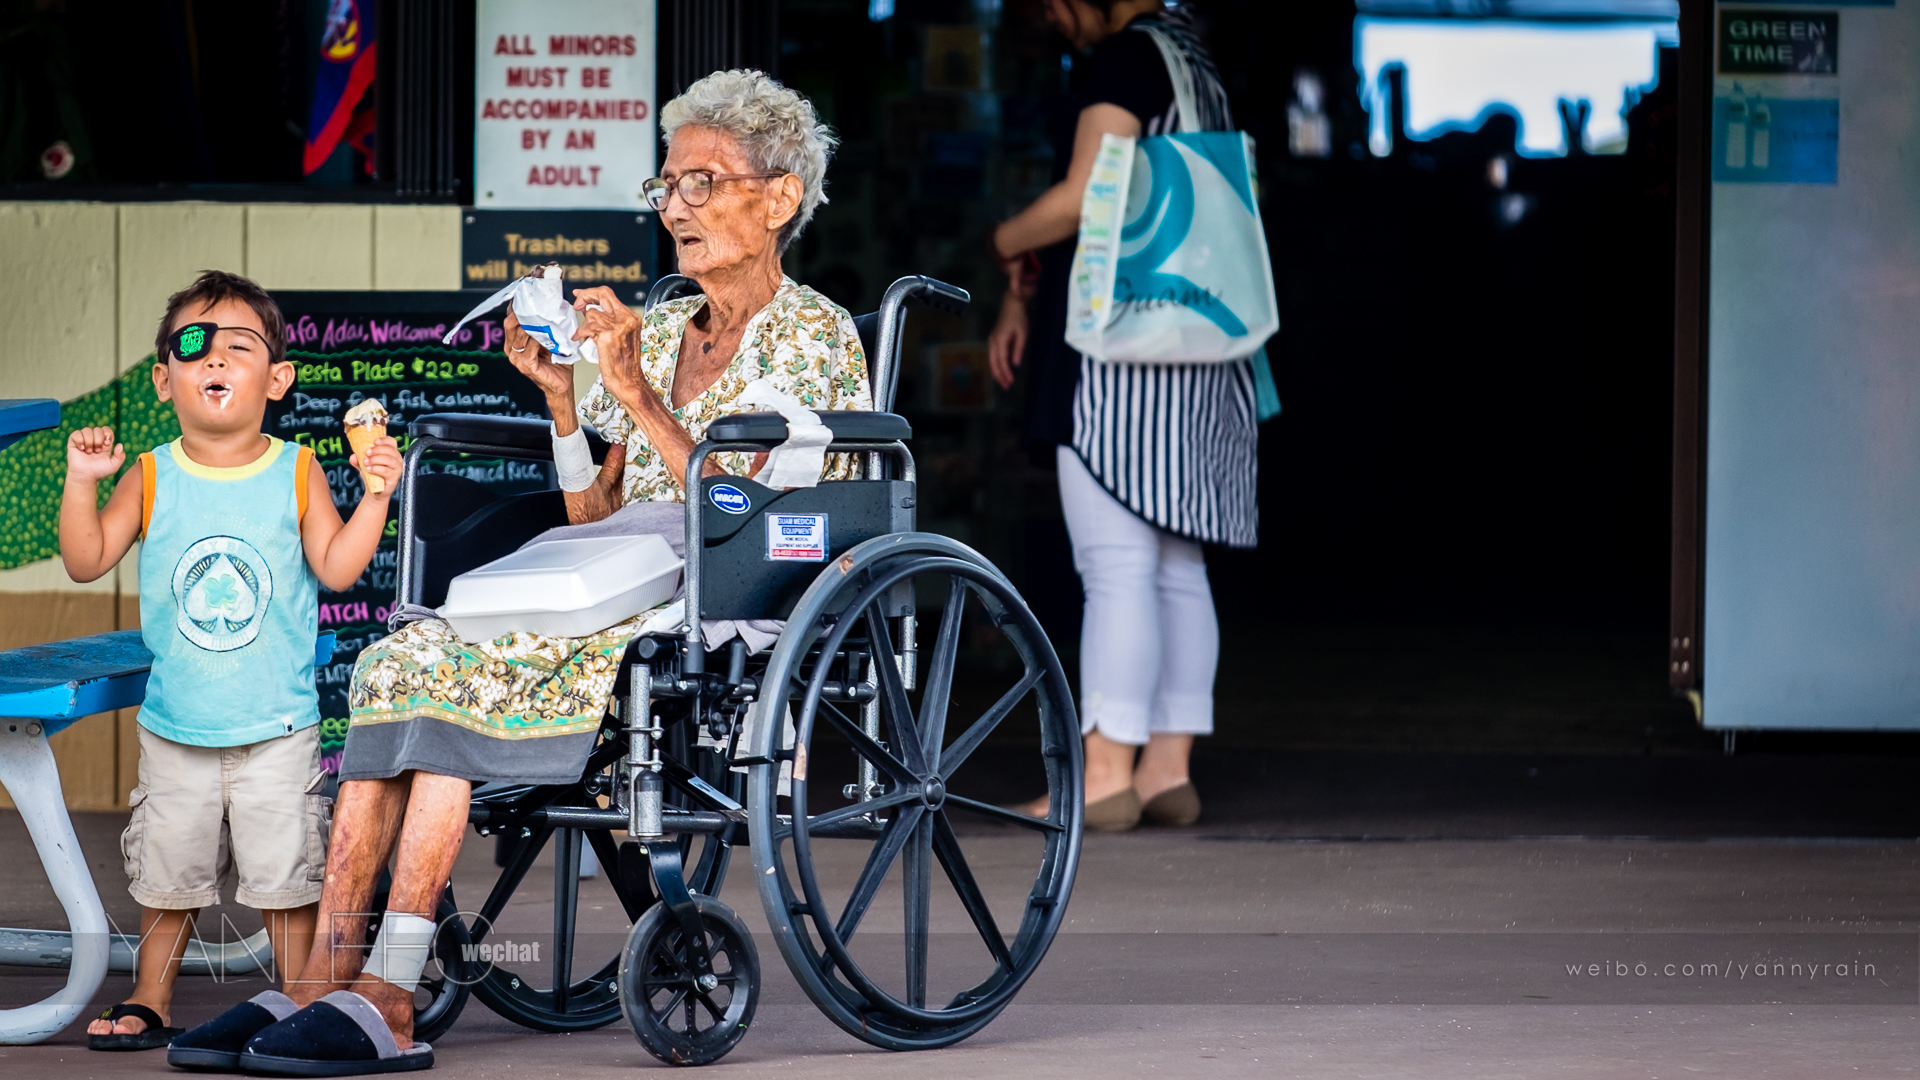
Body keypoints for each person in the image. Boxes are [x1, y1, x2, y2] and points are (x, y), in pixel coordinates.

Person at [169, 69, 867, 1075]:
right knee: (401, 661)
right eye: (667, 187)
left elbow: (750, 519)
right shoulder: (664, 328)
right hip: (602, 570)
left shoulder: (815, 337)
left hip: (718, 592)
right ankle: (325, 977)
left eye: (702, 185)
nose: (674, 208)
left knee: (459, 685)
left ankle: (392, 995)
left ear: (782, 196)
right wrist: (565, 402)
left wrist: (635, 392)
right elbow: (593, 511)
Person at [58, 270, 399, 1051]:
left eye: (238, 346)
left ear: (277, 379)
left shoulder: (296, 468)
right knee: (167, 878)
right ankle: (152, 995)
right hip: (177, 723)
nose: (213, 358)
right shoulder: (150, 474)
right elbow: (86, 558)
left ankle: (295, 1001)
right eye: (192, 346)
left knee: (286, 880)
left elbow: (339, 568)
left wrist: (375, 497)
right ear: (162, 379)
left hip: (277, 726)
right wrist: (83, 484)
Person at [990, 0, 1257, 831]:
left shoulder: (1123, 61)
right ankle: (1166, 768)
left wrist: (1003, 237)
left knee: (1114, 567)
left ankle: (1106, 767)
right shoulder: (1194, 57)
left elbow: (1083, 196)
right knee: (1178, 565)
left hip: (1122, 350)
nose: (1054, 22)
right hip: (1201, 340)